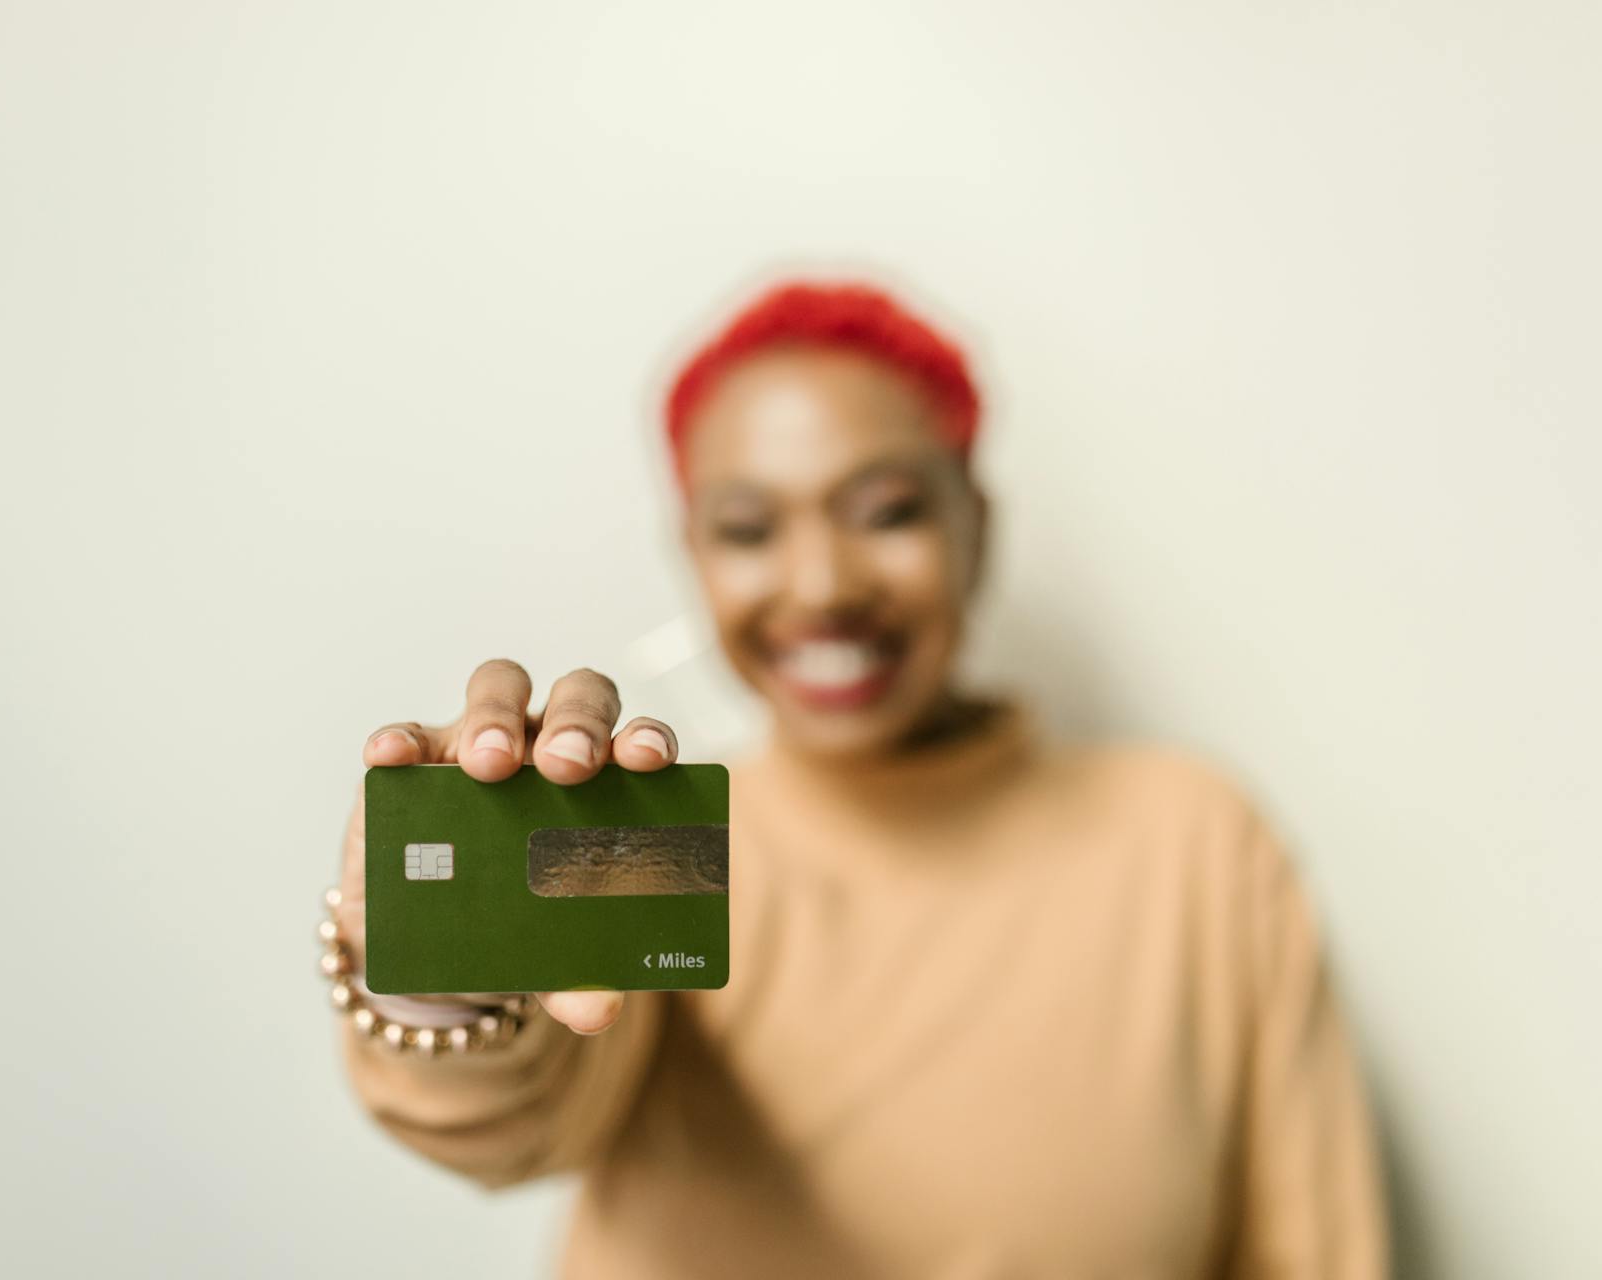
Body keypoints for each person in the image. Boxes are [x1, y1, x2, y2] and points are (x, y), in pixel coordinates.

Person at [322, 279, 1389, 1278]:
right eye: (747, 528)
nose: (824, 583)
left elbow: (1315, 1243)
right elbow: (511, 1125)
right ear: (691, 553)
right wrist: (433, 965)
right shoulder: (651, 850)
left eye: (886, 510)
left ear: (978, 521)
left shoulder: (1191, 836)